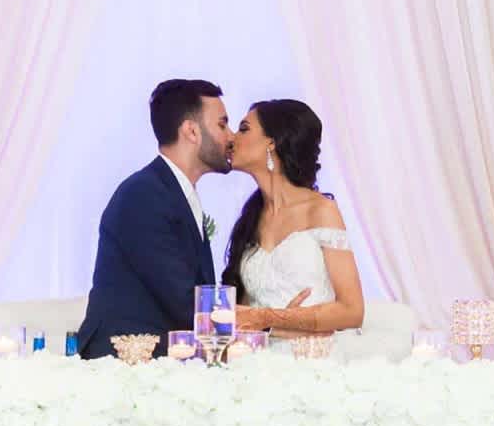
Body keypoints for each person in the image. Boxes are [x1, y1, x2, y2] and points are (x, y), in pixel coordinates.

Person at [76, 79, 233, 358]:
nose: (230, 136)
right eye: (222, 125)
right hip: (126, 365)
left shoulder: (173, 191)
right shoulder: (144, 195)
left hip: (164, 362)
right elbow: (185, 302)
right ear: (192, 131)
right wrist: (266, 318)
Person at [221, 99, 364, 337]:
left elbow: (352, 311)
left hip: (315, 357)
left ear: (272, 143)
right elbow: (244, 317)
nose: (232, 138)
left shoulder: (321, 210)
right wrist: (270, 327)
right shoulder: (250, 218)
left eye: (244, 129)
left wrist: (269, 318)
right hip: (260, 359)